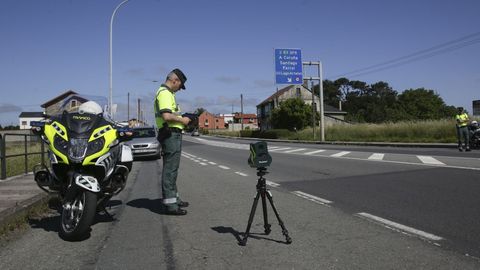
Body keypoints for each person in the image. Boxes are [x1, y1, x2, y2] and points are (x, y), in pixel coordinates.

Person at [153, 68, 191, 215]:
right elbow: (167, 116)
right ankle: (171, 206)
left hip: (172, 134)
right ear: (174, 81)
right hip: (170, 135)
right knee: (170, 170)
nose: (180, 89)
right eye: (180, 86)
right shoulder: (165, 93)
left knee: (173, 170)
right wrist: (183, 120)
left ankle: (174, 199)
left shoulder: (167, 94)